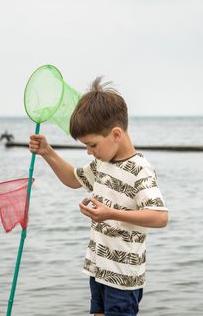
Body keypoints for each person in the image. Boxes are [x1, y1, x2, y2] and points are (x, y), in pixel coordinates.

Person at [29, 77, 168, 316]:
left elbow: (160, 217)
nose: (89, 151)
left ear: (116, 134)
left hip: (123, 276)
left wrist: (109, 213)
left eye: (92, 145)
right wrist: (47, 152)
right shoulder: (102, 163)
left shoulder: (139, 169)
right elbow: (73, 179)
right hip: (98, 267)